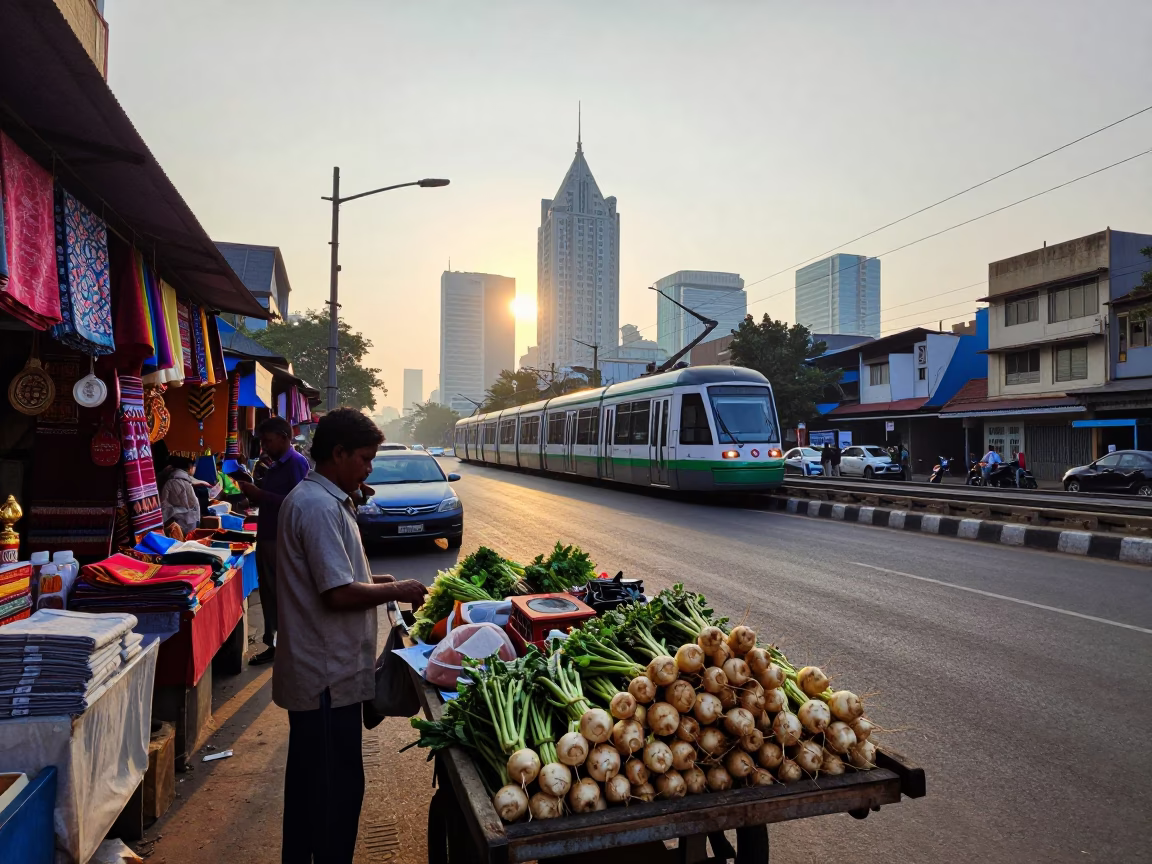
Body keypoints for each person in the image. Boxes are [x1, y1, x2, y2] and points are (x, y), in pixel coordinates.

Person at [273, 408, 428, 864]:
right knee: (332, 792)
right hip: (325, 677)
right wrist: (397, 589)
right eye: (364, 458)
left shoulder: (326, 499)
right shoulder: (317, 506)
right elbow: (338, 593)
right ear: (337, 453)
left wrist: (379, 580)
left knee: (314, 788)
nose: (369, 468)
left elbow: (342, 573)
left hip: (329, 674)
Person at [237, 417, 310, 666]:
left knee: (283, 595)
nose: (264, 447)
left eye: (267, 441)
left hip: (282, 539)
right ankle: (274, 643)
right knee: (269, 593)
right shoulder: (277, 465)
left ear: (284, 437)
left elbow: (298, 503)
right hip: (267, 536)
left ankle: (288, 645)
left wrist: (260, 494)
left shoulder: (296, 464)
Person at [159, 455, 200, 536]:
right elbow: (194, 505)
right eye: (193, 466)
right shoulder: (184, 482)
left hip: (178, 523)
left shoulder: (170, 482)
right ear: (189, 467)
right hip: (181, 524)